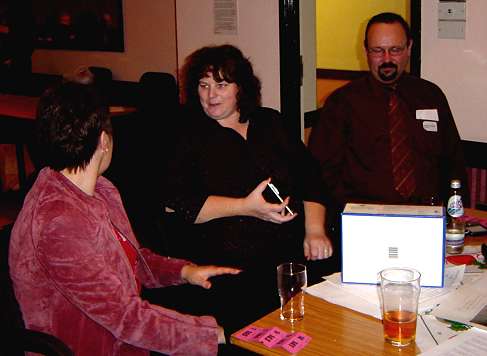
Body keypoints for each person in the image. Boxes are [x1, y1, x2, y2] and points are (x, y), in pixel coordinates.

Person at [8, 82, 241, 356]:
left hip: (120, 339)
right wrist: (214, 335)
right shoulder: (58, 221)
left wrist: (183, 272)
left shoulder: (100, 189)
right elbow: (126, 319)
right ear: (104, 141)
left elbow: (128, 259)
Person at [160, 44, 334, 334]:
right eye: (203, 85)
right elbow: (180, 204)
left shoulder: (270, 122)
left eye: (221, 84)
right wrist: (245, 206)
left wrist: (314, 230)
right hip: (229, 264)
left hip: (290, 252)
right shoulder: (186, 136)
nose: (210, 95)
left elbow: (311, 177)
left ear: (241, 88)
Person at [308, 12, 467, 236]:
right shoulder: (342, 103)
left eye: (395, 50)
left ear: (409, 48)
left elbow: (453, 162)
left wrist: (456, 218)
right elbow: (320, 173)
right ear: (365, 51)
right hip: (365, 223)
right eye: (377, 51)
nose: (387, 59)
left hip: (427, 221)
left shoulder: (431, 96)